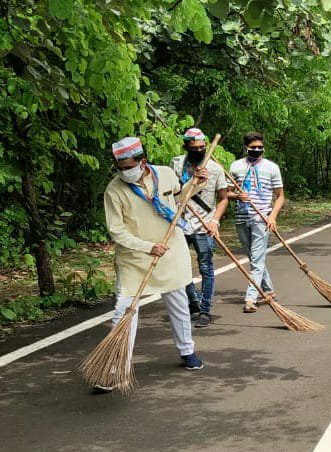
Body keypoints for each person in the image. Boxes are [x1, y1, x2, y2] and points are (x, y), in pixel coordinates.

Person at [102, 136, 204, 389]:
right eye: (120, 168)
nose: (124, 172)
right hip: (134, 258)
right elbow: (117, 231)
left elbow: (180, 198)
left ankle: (187, 350)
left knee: (179, 303)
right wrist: (148, 247)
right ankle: (116, 366)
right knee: (124, 310)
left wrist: (197, 183)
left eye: (128, 167)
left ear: (143, 162)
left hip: (171, 251)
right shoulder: (114, 190)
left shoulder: (165, 174)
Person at [172, 128, 230, 327]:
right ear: (186, 147)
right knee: (179, 267)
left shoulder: (215, 168)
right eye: (194, 148)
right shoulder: (176, 164)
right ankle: (193, 303)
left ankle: (205, 310)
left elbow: (223, 199)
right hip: (180, 222)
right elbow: (172, 192)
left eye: (202, 147)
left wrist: (215, 221)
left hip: (204, 225)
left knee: (206, 267)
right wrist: (192, 180)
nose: (198, 150)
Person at [229, 132, 285, 313]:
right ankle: (269, 291)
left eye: (260, 147)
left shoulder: (272, 168)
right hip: (241, 218)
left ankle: (251, 298)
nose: (257, 150)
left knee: (257, 259)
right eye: (253, 147)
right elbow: (226, 193)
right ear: (246, 148)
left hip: (262, 219)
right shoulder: (236, 166)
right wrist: (237, 196)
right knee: (255, 259)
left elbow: (280, 196)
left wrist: (272, 216)